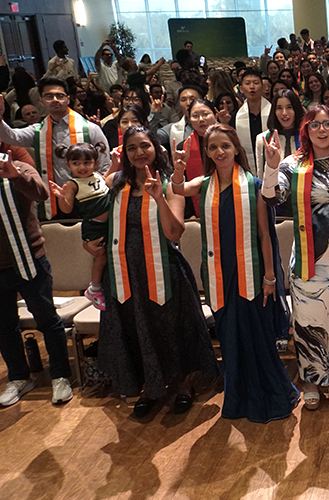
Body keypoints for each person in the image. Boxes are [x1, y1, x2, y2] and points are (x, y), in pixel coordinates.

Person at [170, 123, 298, 422]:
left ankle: (269, 393)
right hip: (218, 273)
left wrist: (270, 277)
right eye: (213, 147)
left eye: (225, 146)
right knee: (229, 338)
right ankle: (238, 397)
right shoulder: (204, 184)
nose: (219, 152)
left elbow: (266, 236)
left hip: (250, 273)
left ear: (236, 148)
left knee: (257, 337)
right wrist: (178, 168)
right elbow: (177, 189)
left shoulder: (253, 185)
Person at [92, 126, 219, 418]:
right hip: (125, 272)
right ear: (125, 153)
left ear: (156, 149)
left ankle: (183, 386)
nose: (139, 153)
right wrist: (90, 243)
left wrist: (160, 197)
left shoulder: (170, 183)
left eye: (145, 145)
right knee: (139, 327)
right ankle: (151, 387)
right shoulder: (114, 182)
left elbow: (174, 232)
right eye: (132, 148)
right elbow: (95, 219)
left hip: (165, 269)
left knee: (172, 328)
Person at [262, 105, 329, 410]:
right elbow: (272, 198)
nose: (322, 130)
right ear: (306, 131)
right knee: (308, 320)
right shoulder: (292, 164)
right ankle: (311, 378)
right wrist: (270, 167)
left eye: (327, 124)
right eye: (314, 125)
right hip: (310, 255)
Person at [0, 144, 73, 407]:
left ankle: (61, 376)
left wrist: (15, 176)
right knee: (4, 326)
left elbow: (41, 193)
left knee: (47, 320)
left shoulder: (16, 165)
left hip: (30, 258)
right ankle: (19, 377)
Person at [0, 77, 111, 220]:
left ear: (68, 99)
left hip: (88, 198)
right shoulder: (38, 131)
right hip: (55, 198)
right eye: (48, 96)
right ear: (41, 101)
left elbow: (104, 166)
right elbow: (11, 137)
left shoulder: (90, 129)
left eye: (60, 96)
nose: (55, 99)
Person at [47, 143, 112, 309]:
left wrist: (116, 165)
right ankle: (94, 289)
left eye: (87, 162)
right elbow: (67, 209)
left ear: (96, 163)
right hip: (93, 226)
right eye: (76, 163)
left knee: (109, 257)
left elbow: (105, 182)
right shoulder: (72, 184)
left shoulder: (96, 175)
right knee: (101, 258)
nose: (82, 167)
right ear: (68, 165)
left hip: (109, 225)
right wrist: (61, 197)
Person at [254, 88, 303, 178]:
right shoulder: (263, 139)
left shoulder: (306, 137)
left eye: (289, 107)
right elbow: (261, 177)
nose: (284, 113)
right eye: (279, 108)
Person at [235, 69, 271, 169]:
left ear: (263, 88)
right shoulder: (237, 116)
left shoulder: (273, 112)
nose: (252, 87)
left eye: (256, 83)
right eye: (247, 83)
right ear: (241, 89)